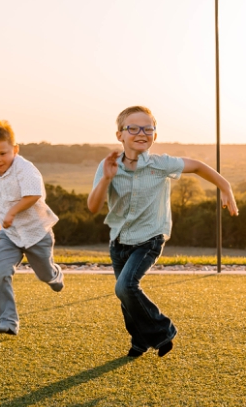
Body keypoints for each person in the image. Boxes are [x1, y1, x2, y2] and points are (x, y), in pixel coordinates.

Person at [86, 105, 238, 359]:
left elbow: (198, 166)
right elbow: (92, 206)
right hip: (119, 242)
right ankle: (139, 343)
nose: (141, 133)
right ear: (119, 135)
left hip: (150, 238)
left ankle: (162, 331)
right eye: (132, 128)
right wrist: (106, 179)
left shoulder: (162, 164)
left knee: (125, 287)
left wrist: (226, 187)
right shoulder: (108, 166)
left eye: (148, 128)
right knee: (127, 298)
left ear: (155, 136)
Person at [0, 120, 64, 335]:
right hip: (10, 235)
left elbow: (34, 194)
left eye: (3, 153)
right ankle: (8, 321)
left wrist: (12, 213)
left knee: (44, 275)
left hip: (36, 233)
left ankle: (55, 275)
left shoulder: (25, 169)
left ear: (15, 149)